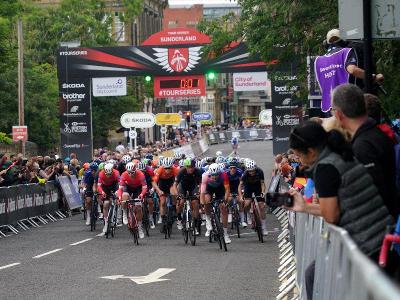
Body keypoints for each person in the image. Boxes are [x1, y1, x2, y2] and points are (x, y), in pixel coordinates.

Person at [286, 121, 393, 300]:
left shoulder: (325, 168)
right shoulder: (340, 155)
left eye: (299, 156)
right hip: (380, 238)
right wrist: (304, 207)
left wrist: (306, 208)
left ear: (311, 152)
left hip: (366, 244)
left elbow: (331, 215)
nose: (300, 161)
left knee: (313, 276)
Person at [331, 83, 399, 218]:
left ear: (338, 114)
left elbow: (373, 193)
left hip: (378, 229)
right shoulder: (378, 134)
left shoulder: (363, 145)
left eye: (332, 111)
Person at [314, 28, 384, 113]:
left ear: (326, 44)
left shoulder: (319, 61)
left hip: (330, 107)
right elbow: (352, 70)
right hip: (347, 104)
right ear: (344, 41)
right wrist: (373, 77)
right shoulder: (346, 52)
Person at [200, 163, 231, 244]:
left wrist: (225, 200)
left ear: (219, 173)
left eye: (216, 175)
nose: (214, 177)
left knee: (223, 208)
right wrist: (203, 203)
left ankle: (225, 233)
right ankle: (208, 221)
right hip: (209, 189)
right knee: (207, 201)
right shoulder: (205, 176)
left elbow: (227, 189)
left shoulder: (223, 174)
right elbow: (202, 192)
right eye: (212, 175)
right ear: (209, 174)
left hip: (220, 189)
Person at [118, 162, 148, 239]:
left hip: (138, 188)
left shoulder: (141, 174)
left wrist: (141, 194)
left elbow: (144, 188)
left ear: (135, 170)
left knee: (138, 207)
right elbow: (120, 189)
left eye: (132, 173)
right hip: (128, 187)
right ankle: (124, 213)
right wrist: (119, 198)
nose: (130, 174)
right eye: (129, 173)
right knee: (124, 196)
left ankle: (140, 227)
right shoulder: (124, 174)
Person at [238, 159, 267, 235]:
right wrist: (241, 196)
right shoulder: (245, 174)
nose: (251, 172)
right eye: (249, 171)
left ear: (255, 168)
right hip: (248, 187)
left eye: (253, 170)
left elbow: (263, 183)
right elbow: (240, 186)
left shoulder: (260, 171)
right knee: (247, 204)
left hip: (257, 187)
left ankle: (264, 226)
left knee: (261, 205)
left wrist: (263, 192)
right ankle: (248, 215)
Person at [174, 158, 202, 232]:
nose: (190, 169)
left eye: (192, 167)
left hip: (193, 187)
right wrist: (177, 194)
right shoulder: (181, 171)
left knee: (195, 203)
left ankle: (195, 224)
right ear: (186, 167)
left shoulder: (197, 171)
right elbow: (175, 185)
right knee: (181, 201)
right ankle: (179, 218)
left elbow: (201, 183)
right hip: (182, 187)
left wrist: (199, 192)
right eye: (188, 167)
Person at [152, 157, 179, 233]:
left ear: (172, 166)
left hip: (171, 183)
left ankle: (174, 208)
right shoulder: (159, 169)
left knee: (173, 193)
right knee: (163, 202)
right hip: (162, 184)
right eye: (166, 168)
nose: (168, 170)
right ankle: (163, 217)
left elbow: (179, 180)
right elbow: (154, 182)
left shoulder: (175, 169)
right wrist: (159, 190)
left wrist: (177, 189)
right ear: (163, 167)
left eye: (169, 168)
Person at [97, 163, 120, 234]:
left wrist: (118, 192)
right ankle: (106, 223)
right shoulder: (101, 174)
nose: (108, 176)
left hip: (114, 185)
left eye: (110, 174)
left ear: (112, 171)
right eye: (107, 174)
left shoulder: (116, 173)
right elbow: (99, 186)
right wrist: (102, 192)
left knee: (115, 200)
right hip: (105, 186)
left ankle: (117, 216)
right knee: (106, 204)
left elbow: (121, 184)